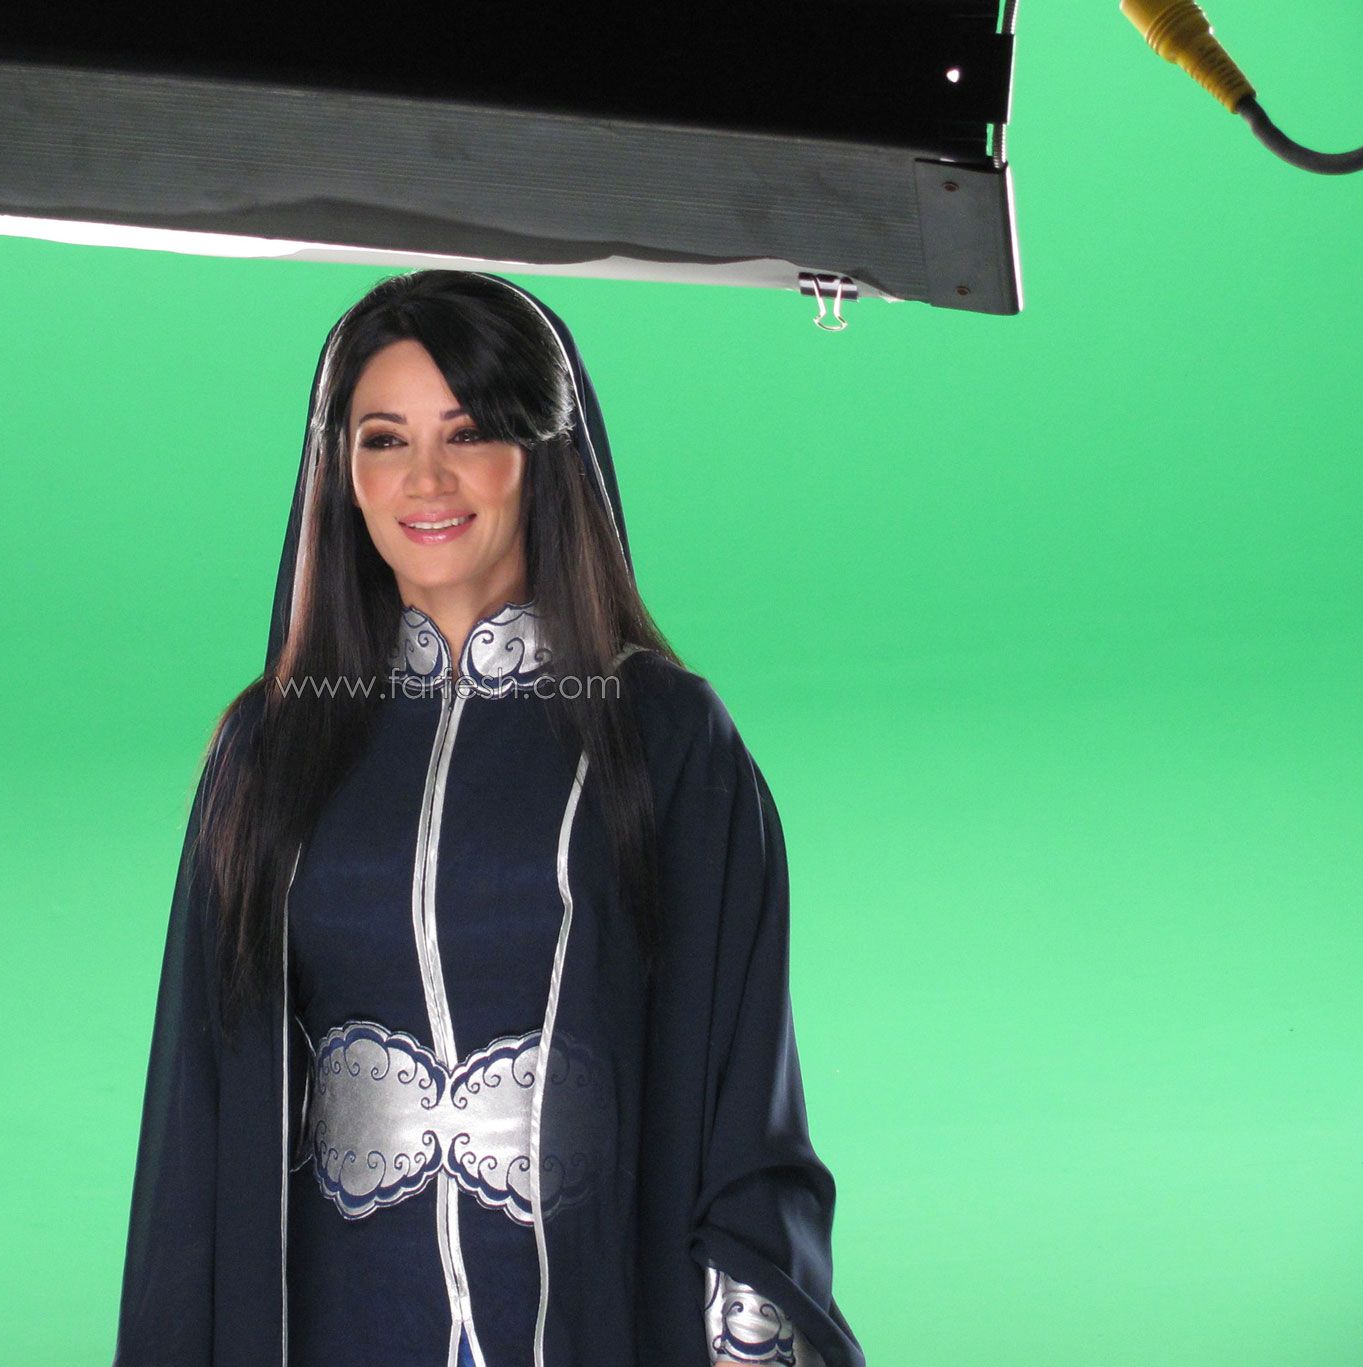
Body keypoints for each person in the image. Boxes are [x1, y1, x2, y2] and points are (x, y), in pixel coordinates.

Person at [111, 269, 867, 1367]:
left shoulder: (664, 736)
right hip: (336, 1329)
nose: (425, 478)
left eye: (467, 433)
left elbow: (741, 1093)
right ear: (341, 475)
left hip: (586, 1323)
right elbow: (193, 1122)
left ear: (540, 456)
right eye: (383, 440)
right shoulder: (265, 747)